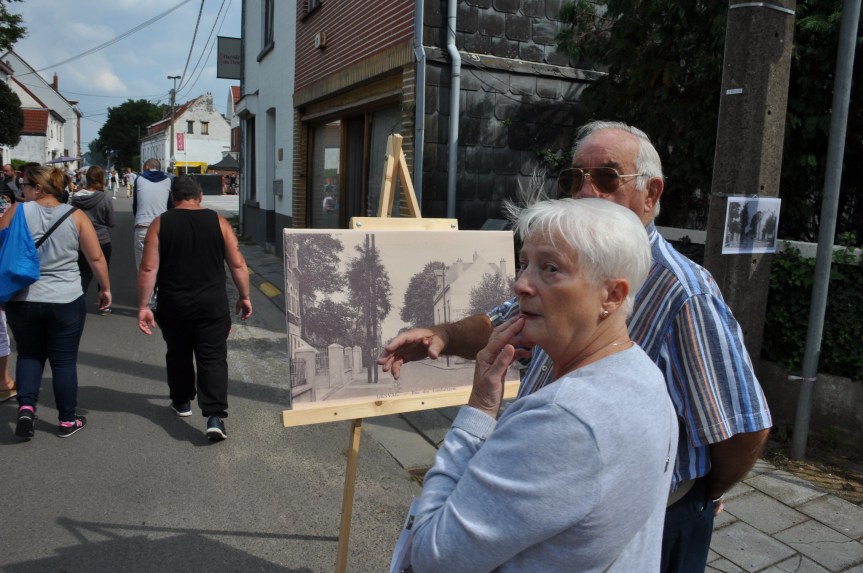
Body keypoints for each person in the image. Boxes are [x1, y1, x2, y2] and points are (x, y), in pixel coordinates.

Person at [379, 120, 773, 573]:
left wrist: (703, 494)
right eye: (574, 178)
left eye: (606, 177)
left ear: (651, 193)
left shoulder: (686, 291)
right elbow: (502, 320)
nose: (586, 191)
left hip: (660, 511)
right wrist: (444, 336)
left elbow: (744, 426)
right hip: (563, 498)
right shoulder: (570, 259)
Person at [409, 198, 677, 572]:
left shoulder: (562, 417)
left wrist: (478, 412)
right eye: (524, 265)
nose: (521, 285)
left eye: (550, 268)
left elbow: (432, 557)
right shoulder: (644, 373)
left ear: (612, 296)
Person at [137, 175, 252, 441]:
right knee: (212, 357)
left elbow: (148, 268)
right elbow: (237, 264)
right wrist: (244, 296)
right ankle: (215, 416)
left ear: (173, 198)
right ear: (199, 196)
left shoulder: (160, 224)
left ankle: (182, 402)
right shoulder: (218, 222)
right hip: (212, 305)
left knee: (178, 353)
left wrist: (144, 305)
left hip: (173, 304)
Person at [0, 164, 111, 439]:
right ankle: (66, 420)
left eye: (25, 186)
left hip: (22, 297)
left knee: (28, 354)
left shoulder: (18, 211)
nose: (21, 190)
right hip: (66, 298)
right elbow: (95, 257)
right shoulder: (76, 216)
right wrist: (104, 288)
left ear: (38, 188)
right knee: (63, 362)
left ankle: (26, 407)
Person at [71, 165, 115, 315]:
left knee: (83, 273)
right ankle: (104, 304)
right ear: (102, 179)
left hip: (81, 240)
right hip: (102, 239)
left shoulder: (75, 199)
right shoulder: (104, 198)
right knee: (103, 271)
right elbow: (111, 222)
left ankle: (78, 302)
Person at [132, 158, 172, 272]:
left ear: (146, 167)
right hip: (162, 227)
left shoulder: (139, 179)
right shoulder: (168, 181)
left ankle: (146, 289)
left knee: (142, 267)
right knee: (161, 265)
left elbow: (136, 205)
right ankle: (158, 288)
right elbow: (170, 206)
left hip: (142, 226)